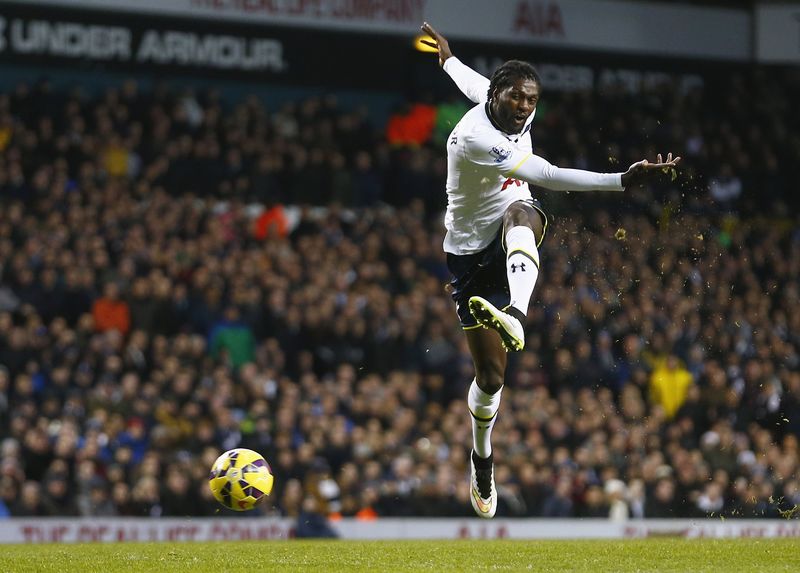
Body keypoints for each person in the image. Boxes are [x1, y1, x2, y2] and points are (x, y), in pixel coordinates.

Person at [420, 22, 681, 519]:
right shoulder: (475, 138)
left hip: (509, 215)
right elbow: (547, 174)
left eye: (532, 99)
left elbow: (470, 80)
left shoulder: (499, 101)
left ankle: (516, 309)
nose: (525, 107)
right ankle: (482, 456)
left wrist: (448, 58)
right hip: (468, 250)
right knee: (492, 379)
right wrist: (622, 180)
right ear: (499, 98)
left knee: (525, 211)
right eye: (517, 99)